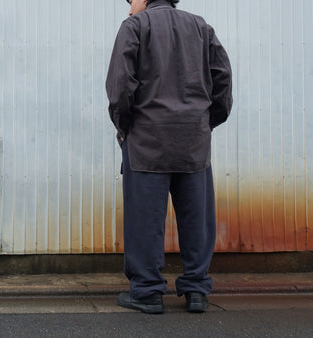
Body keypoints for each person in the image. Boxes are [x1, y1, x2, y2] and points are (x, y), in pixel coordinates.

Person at [106, 0, 232, 314]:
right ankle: (197, 291)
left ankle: (147, 292)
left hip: (147, 141)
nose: (128, 4)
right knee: (196, 218)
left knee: (145, 219)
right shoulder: (201, 27)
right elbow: (222, 81)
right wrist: (204, 124)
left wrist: (125, 128)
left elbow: (120, 87)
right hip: (193, 142)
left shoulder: (134, 27)